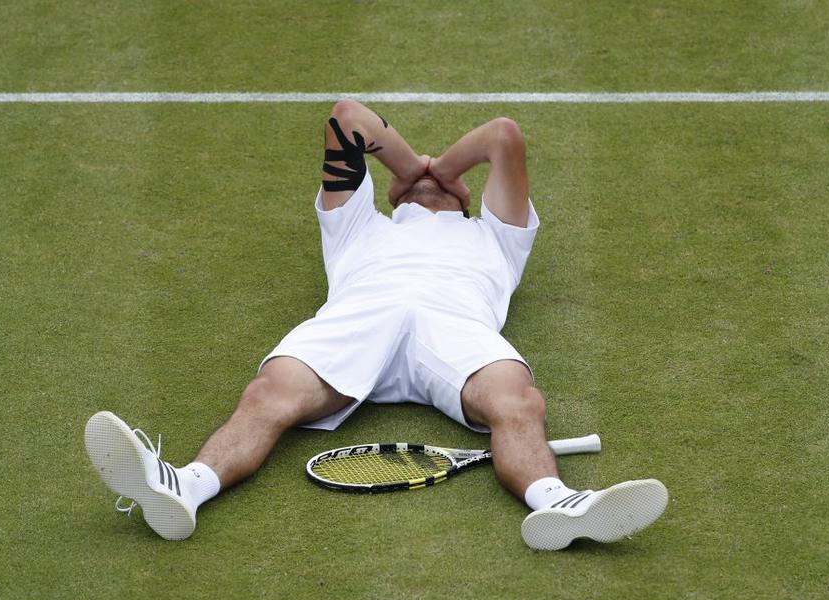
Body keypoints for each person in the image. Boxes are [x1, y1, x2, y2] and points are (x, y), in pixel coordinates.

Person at [84, 100, 668, 549]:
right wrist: (420, 170)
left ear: (472, 199)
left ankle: (557, 502)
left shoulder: (498, 235)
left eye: (445, 180)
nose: (429, 178)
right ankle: (185, 486)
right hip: (356, 324)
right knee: (267, 396)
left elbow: (503, 135)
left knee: (519, 403)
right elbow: (348, 117)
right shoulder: (356, 225)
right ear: (385, 193)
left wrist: (433, 171)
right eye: (412, 178)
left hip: (454, 333)